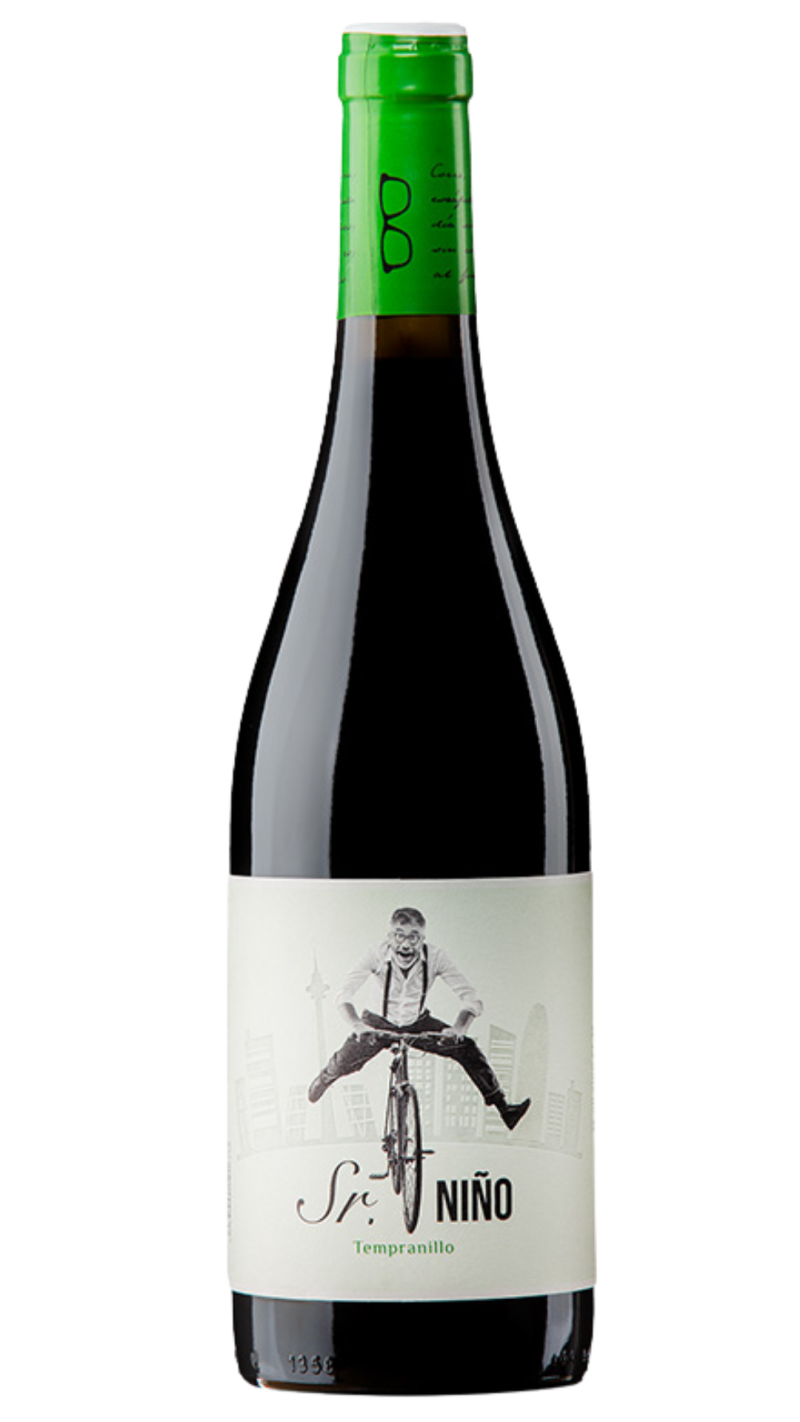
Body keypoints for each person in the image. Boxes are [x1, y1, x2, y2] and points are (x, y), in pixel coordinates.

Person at [308, 906, 531, 1130]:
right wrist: (357, 1024)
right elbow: (344, 994)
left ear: (423, 939)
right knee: (345, 1062)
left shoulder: (436, 957)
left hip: (417, 1023)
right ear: (389, 937)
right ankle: (325, 1079)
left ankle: (505, 1108)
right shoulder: (375, 954)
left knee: (467, 1048)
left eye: (413, 938)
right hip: (376, 1023)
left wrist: (459, 1029)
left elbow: (470, 997)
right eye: (399, 936)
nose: (405, 945)